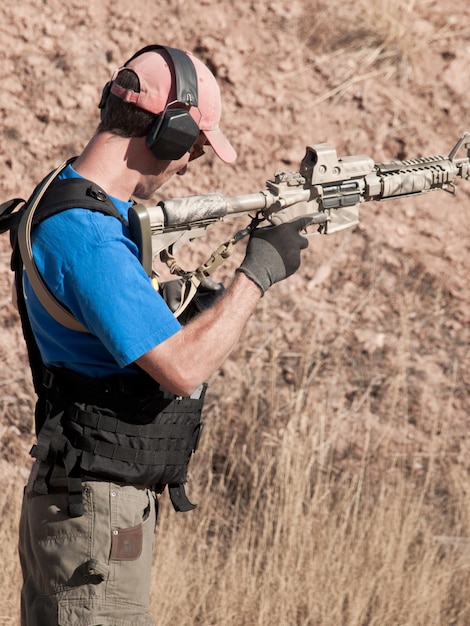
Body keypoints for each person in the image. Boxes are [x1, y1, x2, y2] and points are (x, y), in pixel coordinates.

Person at [16, 45, 310, 625]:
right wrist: (258, 273)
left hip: (81, 498)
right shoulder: (90, 239)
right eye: (195, 147)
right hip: (94, 514)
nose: (190, 161)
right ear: (169, 134)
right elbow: (181, 369)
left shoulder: (63, 195)